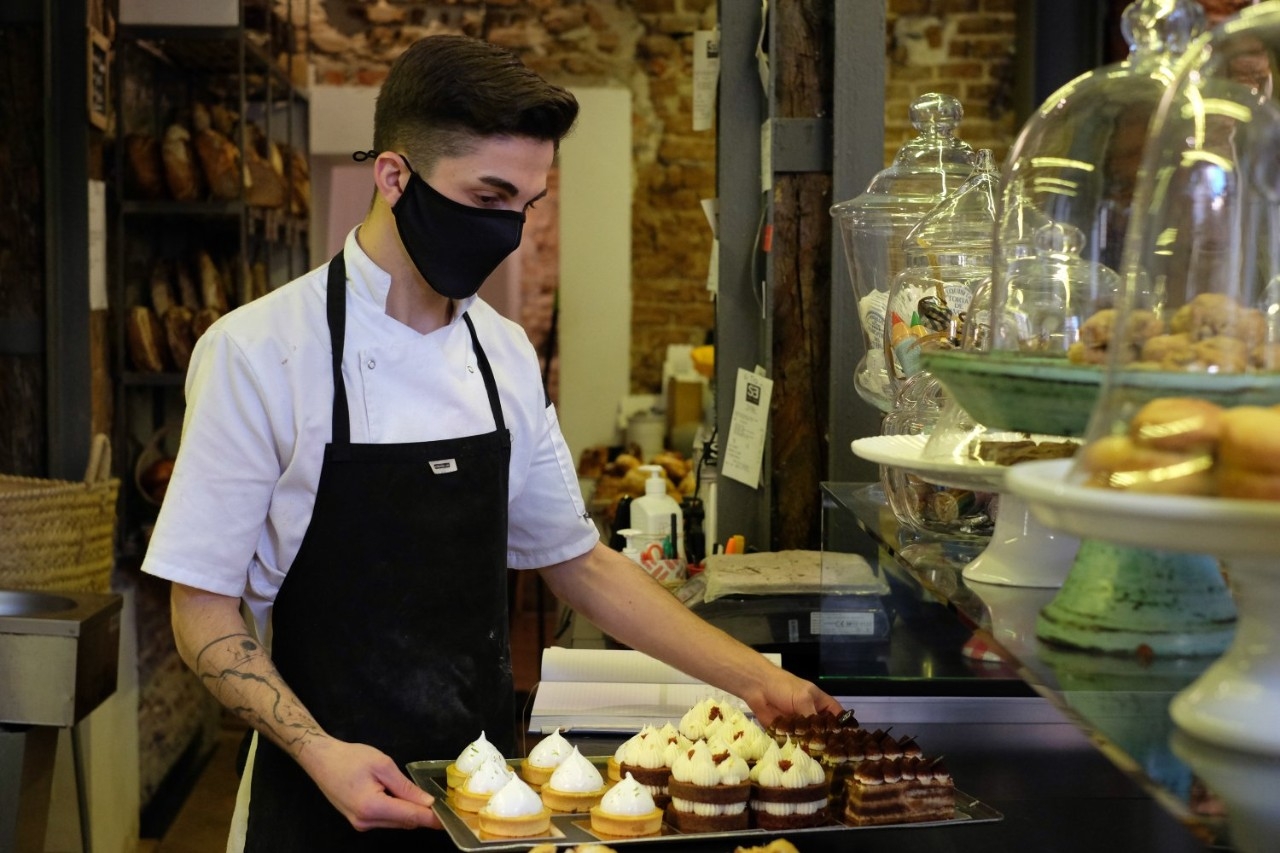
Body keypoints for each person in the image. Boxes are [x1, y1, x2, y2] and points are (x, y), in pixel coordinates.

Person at [142, 34, 842, 853]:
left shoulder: (502, 353)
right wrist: (320, 750)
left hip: (487, 800)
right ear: (395, 177)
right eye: (488, 196)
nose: (507, 227)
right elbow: (200, 610)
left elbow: (578, 562)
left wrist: (759, 680)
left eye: (527, 204)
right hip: (316, 800)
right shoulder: (258, 352)